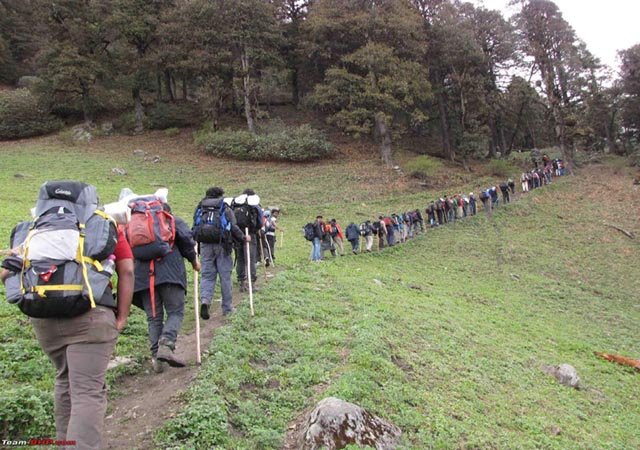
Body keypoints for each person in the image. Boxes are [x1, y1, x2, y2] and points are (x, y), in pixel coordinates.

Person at [1, 220, 134, 450]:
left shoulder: (37, 229)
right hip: (91, 316)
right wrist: (121, 316)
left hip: (44, 319)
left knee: (65, 380)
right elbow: (128, 270)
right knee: (87, 391)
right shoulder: (103, 226)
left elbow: (8, 272)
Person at [133, 203, 200, 372]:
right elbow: (187, 241)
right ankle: (166, 344)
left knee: (154, 318)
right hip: (170, 274)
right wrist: (194, 261)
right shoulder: (172, 221)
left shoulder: (138, 227)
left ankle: (157, 359)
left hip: (143, 278)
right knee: (175, 311)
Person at [195, 187, 248, 319]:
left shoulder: (201, 208)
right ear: (220, 195)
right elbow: (233, 227)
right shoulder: (224, 208)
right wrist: (243, 238)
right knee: (225, 276)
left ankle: (205, 301)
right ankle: (227, 307)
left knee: (207, 275)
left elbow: (195, 226)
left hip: (205, 245)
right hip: (223, 245)